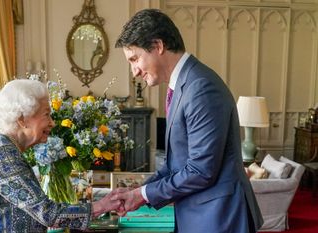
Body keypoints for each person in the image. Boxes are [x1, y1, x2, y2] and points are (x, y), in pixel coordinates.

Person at [112, 9, 264, 233]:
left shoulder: (201, 87)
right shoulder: (182, 84)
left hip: (219, 219)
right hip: (200, 215)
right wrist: (139, 191)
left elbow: (200, 170)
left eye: (135, 59)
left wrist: (141, 195)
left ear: (158, 46)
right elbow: (176, 165)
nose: (134, 71)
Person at [0, 79, 122, 232]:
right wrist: (102, 205)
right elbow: (46, 212)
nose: (52, 123)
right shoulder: (2, 154)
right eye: (47, 115)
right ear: (22, 120)